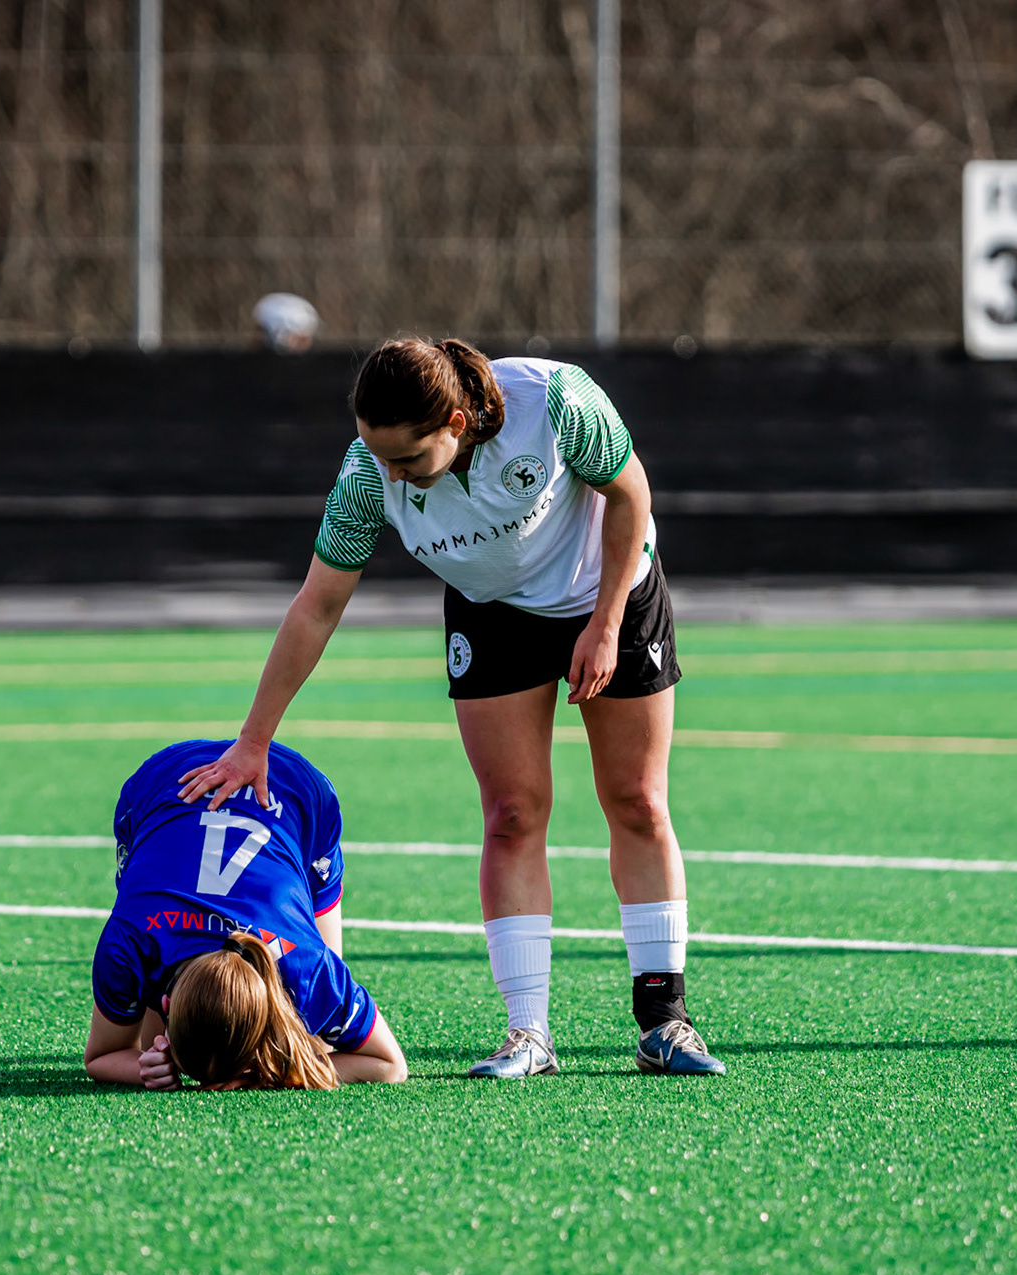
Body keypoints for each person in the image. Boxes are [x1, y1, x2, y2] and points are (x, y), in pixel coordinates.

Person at [178, 338, 724, 1079]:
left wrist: (604, 626)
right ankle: (528, 1033)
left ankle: (666, 1022)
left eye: (408, 460)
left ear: (459, 423)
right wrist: (254, 739)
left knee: (635, 800)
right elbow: (316, 607)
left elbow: (631, 494)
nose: (392, 475)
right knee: (512, 813)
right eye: (379, 453)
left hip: (610, 590)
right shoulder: (367, 475)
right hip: (492, 611)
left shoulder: (558, 401)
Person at [84, 739, 408, 1090]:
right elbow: (103, 1056)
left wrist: (274, 1071)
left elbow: (389, 1065)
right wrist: (147, 1067)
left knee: (318, 1039)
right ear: (164, 1001)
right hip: (165, 782)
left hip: (291, 787)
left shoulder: (307, 969)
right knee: (150, 1047)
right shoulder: (129, 939)